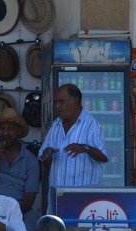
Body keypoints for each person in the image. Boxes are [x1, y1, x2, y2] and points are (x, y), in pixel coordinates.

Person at [39, 83, 108, 213]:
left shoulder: (91, 124)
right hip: (57, 199)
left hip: (83, 201)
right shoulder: (56, 125)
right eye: (56, 102)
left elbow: (103, 157)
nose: (57, 106)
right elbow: (45, 161)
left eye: (61, 102)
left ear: (75, 101)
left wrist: (86, 148)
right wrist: (47, 155)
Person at [0, 107, 40, 231]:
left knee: (32, 226)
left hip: (20, 211)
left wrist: (13, 217)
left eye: (10, 129)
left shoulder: (31, 160)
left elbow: (29, 198)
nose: (5, 133)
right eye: (2, 129)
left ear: (18, 132)